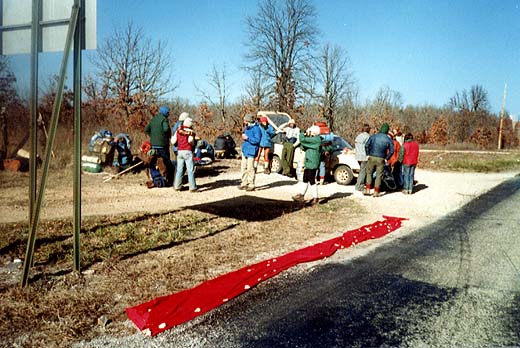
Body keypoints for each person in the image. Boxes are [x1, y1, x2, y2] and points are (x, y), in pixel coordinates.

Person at [292, 125, 332, 205]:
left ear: (314, 132)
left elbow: (302, 139)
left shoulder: (316, 140)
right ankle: (301, 195)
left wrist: (303, 133)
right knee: (305, 178)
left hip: (312, 162)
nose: (309, 132)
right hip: (309, 161)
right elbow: (303, 146)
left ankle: (315, 197)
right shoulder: (314, 140)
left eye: (310, 131)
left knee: (311, 179)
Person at [144, 106, 174, 185]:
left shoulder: (153, 119)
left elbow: (146, 129)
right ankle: (169, 180)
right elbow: (166, 129)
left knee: (153, 162)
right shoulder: (164, 119)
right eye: (168, 113)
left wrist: (152, 136)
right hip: (163, 145)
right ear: (165, 113)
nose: (168, 114)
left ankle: (156, 179)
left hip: (153, 145)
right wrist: (167, 136)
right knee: (166, 162)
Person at [363, 123, 394, 197]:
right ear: (387, 130)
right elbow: (392, 151)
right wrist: (387, 158)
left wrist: (367, 154)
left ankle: (367, 189)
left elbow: (366, 145)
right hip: (381, 158)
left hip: (372, 156)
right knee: (378, 175)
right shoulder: (388, 139)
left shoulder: (373, 136)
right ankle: (376, 191)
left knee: (369, 173)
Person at [173, 117, 198, 192]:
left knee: (179, 169)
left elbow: (173, 141)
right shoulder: (190, 132)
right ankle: (192, 187)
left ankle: (177, 186)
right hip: (188, 151)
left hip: (179, 152)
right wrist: (193, 143)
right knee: (190, 170)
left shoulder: (178, 130)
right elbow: (191, 141)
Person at [240, 113, 262, 191]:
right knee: (243, 167)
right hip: (245, 150)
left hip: (252, 150)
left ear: (248, 120)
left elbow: (257, 140)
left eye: (245, 119)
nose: (244, 121)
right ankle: (244, 183)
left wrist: (247, 138)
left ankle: (251, 184)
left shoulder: (257, 129)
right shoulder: (247, 128)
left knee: (250, 168)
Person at [354, 124, 370, 192]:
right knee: (363, 172)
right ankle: (359, 186)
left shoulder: (359, 136)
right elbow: (369, 146)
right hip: (364, 157)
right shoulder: (367, 137)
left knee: (361, 171)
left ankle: (358, 184)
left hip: (358, 156)